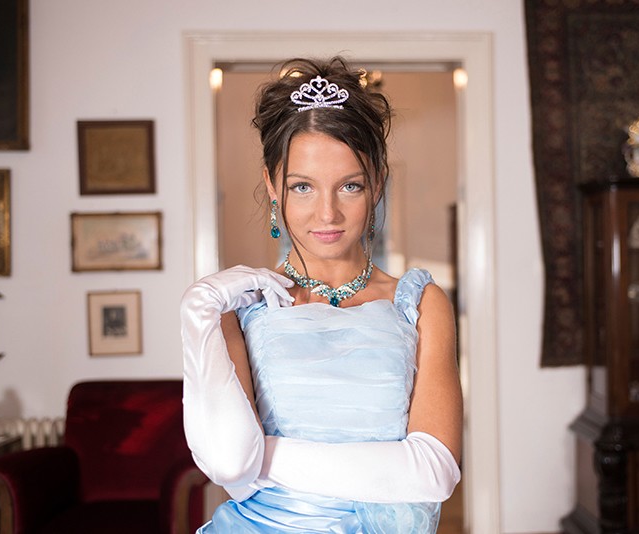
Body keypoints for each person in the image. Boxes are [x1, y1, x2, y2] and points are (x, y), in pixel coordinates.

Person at [181, 56, 462, 533]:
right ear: (272, 185)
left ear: (377, 183)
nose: (327, 213)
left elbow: (433, 472)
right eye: (303, 187)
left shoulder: (420, 304)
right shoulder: (238, 308)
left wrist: (263, 458)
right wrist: (197, 310)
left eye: (349, 185)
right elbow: (229, 464)